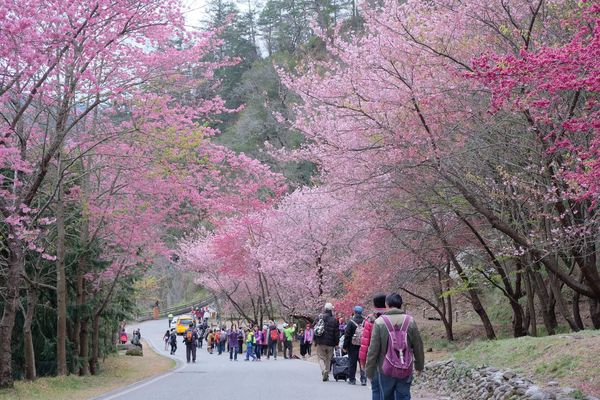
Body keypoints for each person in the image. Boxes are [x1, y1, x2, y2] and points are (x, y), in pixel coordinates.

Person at [365, 293, 424, 400]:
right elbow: (418, 346)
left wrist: (369, 370)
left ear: (387, 305)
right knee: (404, 395)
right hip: (405, 367)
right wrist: (419, 366)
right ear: (401, 304)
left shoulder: (379, 322)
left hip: (385, 369)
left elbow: (373, 350)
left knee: (386, 396)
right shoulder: (410, 321)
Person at [359, 293, 387, 391]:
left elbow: (365, 343)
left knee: (376, 388)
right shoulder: (391, 318)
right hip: (390, 357)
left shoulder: (370, 319)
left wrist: (363, 360)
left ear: (374, 305)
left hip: (374, 358)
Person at [313, 302, 339, 382]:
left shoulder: (319, 317)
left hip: (320, 341)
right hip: (331, 343)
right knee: (328, 359)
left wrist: (315, 340)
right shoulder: (334, 320)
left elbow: (314, 327)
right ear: (331, 310)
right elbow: (336, 333)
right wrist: (336, 343)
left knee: (321, 358)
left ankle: (323, 370)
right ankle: (326, 373)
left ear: (325, 309)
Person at [343, 305, 365, 385]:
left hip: (352, 346)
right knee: (362, 362)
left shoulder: (351, 322)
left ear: (355, 312)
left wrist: (345, 346)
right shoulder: (365, 321)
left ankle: (352, 379)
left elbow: (347, 335)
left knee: (352, 362)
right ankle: (363, 379)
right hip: (363, 345)